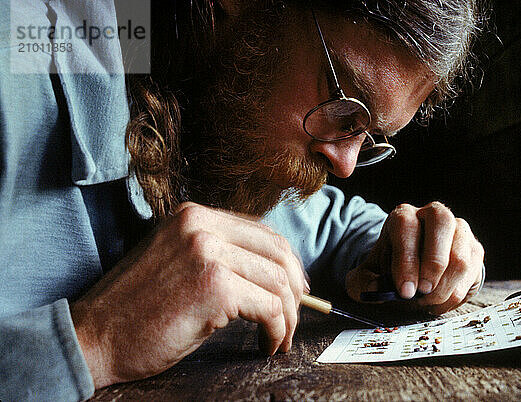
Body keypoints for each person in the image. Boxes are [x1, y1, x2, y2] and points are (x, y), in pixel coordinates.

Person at [0, 0, 484, 400]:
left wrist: (409, 251)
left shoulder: (219, 114)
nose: (345, 166)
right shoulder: (16, 54)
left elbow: (336, 226)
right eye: (347, 106)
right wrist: (94, 341)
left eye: (370, 135)